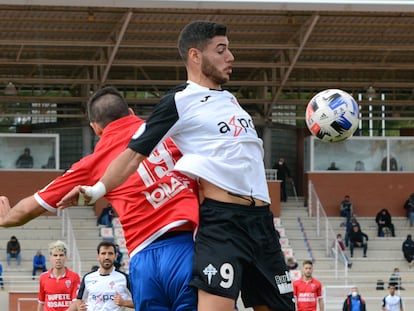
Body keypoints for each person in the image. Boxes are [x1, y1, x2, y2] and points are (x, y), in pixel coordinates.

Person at [58, 21, 295, 311]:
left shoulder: (231, 101)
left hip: (262, 223)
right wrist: (96, 191)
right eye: (221, 50)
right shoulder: (178, 102)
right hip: (223, 225)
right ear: (195, 56)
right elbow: (133, 154)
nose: (230, 56)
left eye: (229, 49)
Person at [0, 86, 199, 311]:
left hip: (143, 260)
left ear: (95, 128)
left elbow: (31, 206)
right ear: (131, 112)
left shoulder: (93, 163)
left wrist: (6, 219)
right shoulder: (170, 133)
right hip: (187, 246)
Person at [68, 241, 134, 311]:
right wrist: (80, 307)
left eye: (110, 253)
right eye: (103, 253)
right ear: (98, 256)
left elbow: (140, 302)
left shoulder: (124, 278)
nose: (106, 257)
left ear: (115, 256)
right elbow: (79, 299)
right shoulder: (87, 278)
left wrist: (124, 303)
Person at [38, 240, 80, 311]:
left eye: (61, 255)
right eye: (55, 255)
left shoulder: (74, 277)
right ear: (50, 257)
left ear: (66, 257)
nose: (58, 258)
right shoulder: (43, 277)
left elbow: (76, 303)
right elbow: (41, 302)